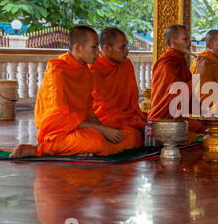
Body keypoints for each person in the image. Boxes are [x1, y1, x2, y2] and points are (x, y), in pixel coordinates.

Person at [10, 25, 141, 158]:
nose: (97, 53)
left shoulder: (86, 73)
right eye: (94, 47)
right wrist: (102, 130)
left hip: (79, 128)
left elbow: (89, 112)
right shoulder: (58, 71)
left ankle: (85, 149)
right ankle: (41, 148)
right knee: (96, 142)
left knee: (131, 137)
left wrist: (107, 131)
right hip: (58, 132)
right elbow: (60, 117)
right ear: (78, 48)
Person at [89, 27, 146, 145]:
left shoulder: (126, 65)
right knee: (130, 136)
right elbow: (98, 109)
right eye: (122, 48)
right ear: (106, 48)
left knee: (142, 130)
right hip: (104, 121)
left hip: (126, 118)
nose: (127, 51)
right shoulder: (93, 69)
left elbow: (132, 103)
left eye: (127, 46)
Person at [147, 24, 206, 133]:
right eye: (185, 39)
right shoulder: (167, 63)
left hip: (181, 114)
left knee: (208, 122)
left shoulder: (180, 60)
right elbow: (176, 94)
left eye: (189, 38)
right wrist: (198, 75)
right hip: (166, 117)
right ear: (173, 41)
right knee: (203, 129)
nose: (189, 42)